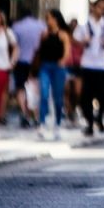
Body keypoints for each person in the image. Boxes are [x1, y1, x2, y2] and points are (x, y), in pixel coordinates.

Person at [72, 0, 104, 135]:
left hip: (103, 65)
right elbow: (75, 39)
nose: (101, 10)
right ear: (93, 7)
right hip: (88, 64)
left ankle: (99, 118)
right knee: (86, 96)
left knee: (103, 95)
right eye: (99, 7)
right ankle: (89, 122)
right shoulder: (85, 25)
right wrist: (84, 41)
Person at [35, 9, 71, 139]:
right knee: (44, 94)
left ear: (56, 19)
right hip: (45, 66)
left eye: (49, 17)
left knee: (58, 97)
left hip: (57, 67)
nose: (47, 20)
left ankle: (57, 124)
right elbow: (39, 51)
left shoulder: (63, 35)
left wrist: (62, 61)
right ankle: (42, 123)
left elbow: (67, 52)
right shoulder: (44, 34)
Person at [11, 6, 46, 129]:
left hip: (20, 60)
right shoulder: (41, 25)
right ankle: (35, 116)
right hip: (37, 61)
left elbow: (13, 44)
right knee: (35, 89)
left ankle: (24, 113)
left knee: (20, 88)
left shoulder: (17, 26)